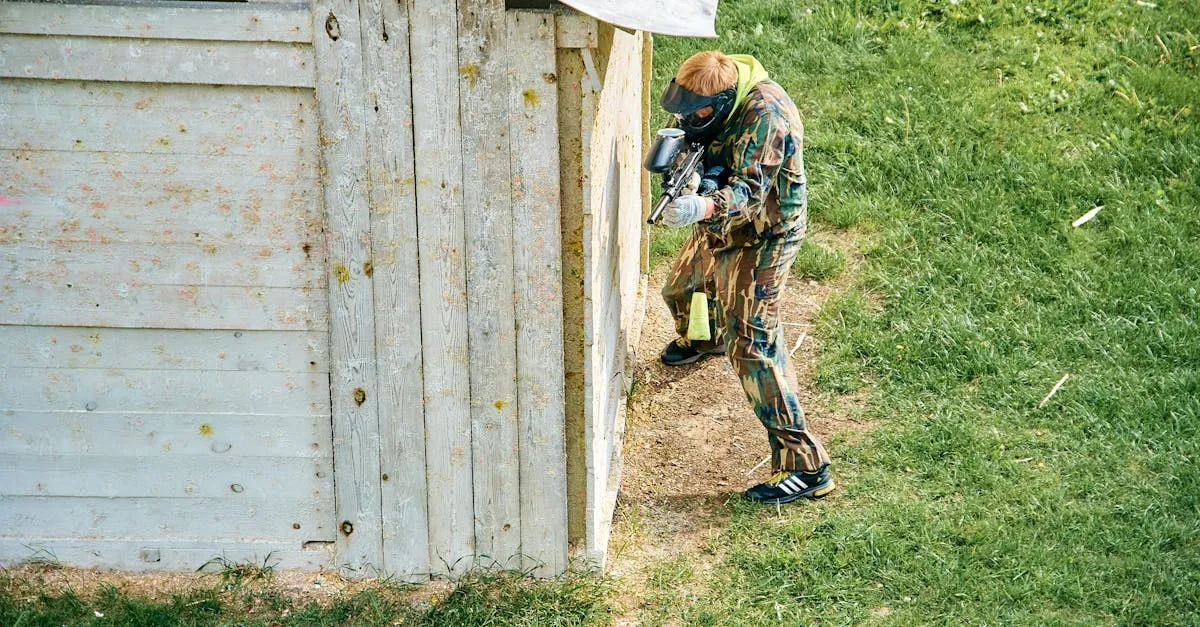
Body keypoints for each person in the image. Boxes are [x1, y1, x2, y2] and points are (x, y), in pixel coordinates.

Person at [657, 51, 834, 503]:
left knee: (753, 343)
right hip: (722, 219)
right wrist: (685, 172)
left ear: (722, 102)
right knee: (681, 289)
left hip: (764, 233)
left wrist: (704, 206)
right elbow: (700, 149)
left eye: (696, 112)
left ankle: (806, 466)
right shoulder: (710, 100)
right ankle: (707, 336)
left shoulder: (768, 118)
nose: (689, 116)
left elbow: (750, 193)